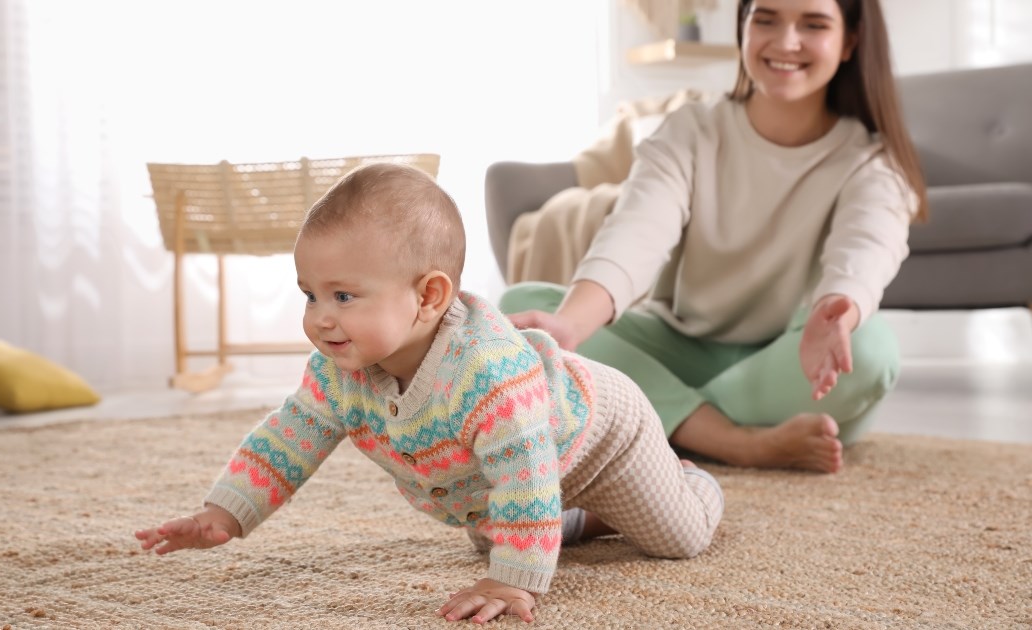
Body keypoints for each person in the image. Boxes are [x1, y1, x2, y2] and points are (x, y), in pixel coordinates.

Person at [134, 163, 724, 624]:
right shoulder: (339, 372)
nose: (319, 319)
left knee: (678, 538)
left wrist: (514, 579)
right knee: (493, 530)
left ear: (429, 296)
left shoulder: (489, 376)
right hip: (499, 475)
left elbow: (526, 476)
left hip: (604, 436)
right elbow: (288, 437)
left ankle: (690, 479)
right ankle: (578, 520)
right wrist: (225, 512)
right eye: (309, 293)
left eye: (343, 296)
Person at [502, 0, 926, 475]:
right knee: (520, 308)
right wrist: (573, 326)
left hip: (785, 362)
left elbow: (867, 246)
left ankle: (653, 423)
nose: (786, 42)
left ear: (850, 41)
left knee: (870, 352)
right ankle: (734, 442)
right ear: (742, 27)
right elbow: (635, 233)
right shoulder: (691, 131)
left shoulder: (872, 162)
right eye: (765, 18)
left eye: (813, 24)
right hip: (677, 349)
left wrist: (842, 305)